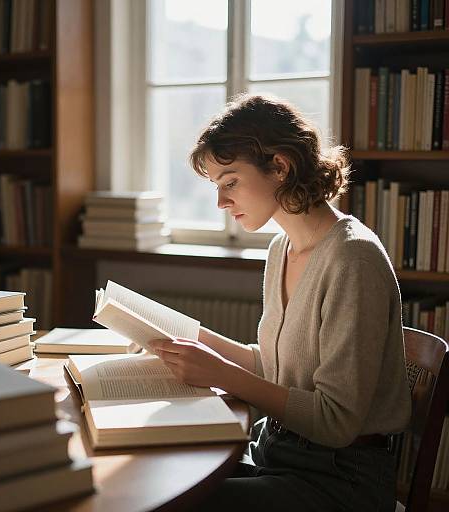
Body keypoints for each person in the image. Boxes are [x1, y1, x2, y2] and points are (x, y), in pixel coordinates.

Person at [148, 94, 412, 512]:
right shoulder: (281, 248)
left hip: (340, 478)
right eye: (217, 186)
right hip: (276, 451)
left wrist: (222, 374)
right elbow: (277, 367)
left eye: (230, 181)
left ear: (281, 166)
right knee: (157, 477)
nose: (221, 202)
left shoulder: (353, 258)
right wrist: (190, 337)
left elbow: (335, 419)